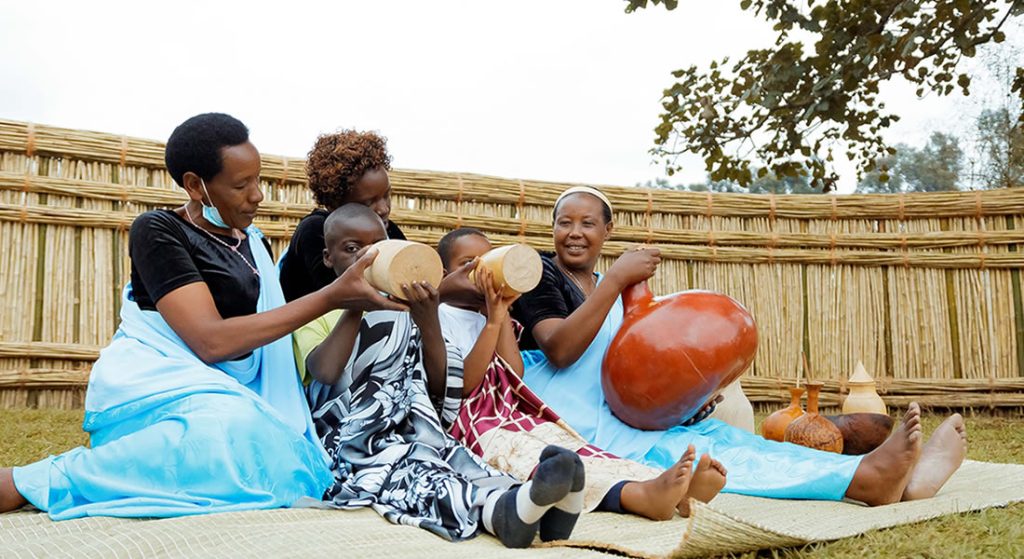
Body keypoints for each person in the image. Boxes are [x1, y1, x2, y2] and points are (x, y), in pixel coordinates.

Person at [0, 113, 406, 519]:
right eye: (241, 185)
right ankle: (30, 482)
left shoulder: (251, 243)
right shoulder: (159, 231)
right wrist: (332, 297)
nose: (258, 195)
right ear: (196, 185)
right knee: (229, 429)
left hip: (231, 399)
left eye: (258, 180)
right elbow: (211, 342)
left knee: (274, 442)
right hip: (155, 389)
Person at [510, 185, 969, 506]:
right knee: (697, 455)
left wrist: (680, 403)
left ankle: (885, 476)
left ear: (607, 231)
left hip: (616, 410)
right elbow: (560, 349)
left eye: (587, 223)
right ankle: (865, 481)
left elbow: (634, 370)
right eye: (564, 222)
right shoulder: (541, 274)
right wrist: (616, 279)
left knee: (721, 436)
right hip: (569, 416)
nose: (574, 232)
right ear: (551, 229)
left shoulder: (612, 290)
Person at [293, 204, 586, 548]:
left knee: (459, 461)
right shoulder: (318, 313)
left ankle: (544, 512)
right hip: (357, 441)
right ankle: (500, 515)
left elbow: (439, 387)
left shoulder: (405, 313)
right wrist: (357, 305)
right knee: (414, 477)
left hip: (418, 428)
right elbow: (326, 374)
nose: (367, 260)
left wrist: (428, 318)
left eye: (379, 248)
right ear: (328, 257)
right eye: (353, 250)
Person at [436, 227, 727, 520]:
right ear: (444, 273)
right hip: (473, 428)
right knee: (541, 461)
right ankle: (637, 496)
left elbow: (515, 373)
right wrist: (492, 323)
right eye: (467, 264)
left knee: (574, 447)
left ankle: (673, 488)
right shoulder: (441, 316)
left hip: (513, 415)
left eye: (486, 262)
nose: (479, 272)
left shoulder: (492, 313)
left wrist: (496, 316)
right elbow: (465, 386)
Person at [279, 129, 405, 302]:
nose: (383, 209)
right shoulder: (315, 230)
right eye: (368, 203)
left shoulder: (390, 231)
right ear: (334, 203)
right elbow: (340, 293)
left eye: (386, 195)